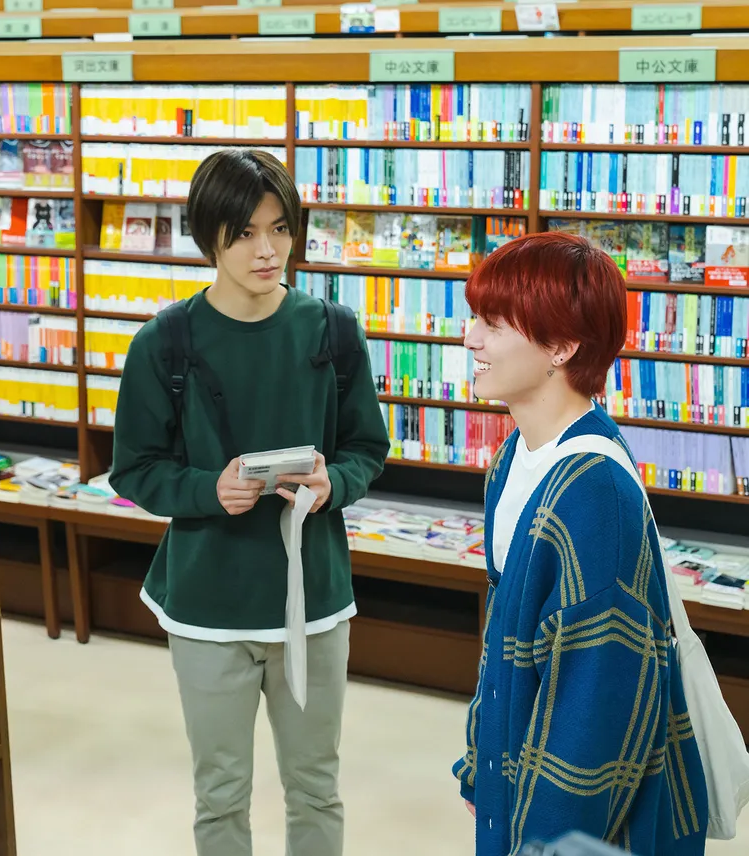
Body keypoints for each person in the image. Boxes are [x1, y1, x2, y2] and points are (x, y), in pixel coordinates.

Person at [109, 149, 390, 856]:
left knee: (316, 787)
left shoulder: (332, 331)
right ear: (210, 239)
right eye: (243, 234)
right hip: (208, 608)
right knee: (222, 795)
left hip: (313, 602)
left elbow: (367, 449)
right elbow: (134, 469)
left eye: (280, 228)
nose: (267, 250)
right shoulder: (163, 344)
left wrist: (335, 485)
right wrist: (209, 489)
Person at [451, 232, 708, 855]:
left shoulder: (593, 497)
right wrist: (480, 760)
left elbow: (596, 712)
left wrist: (544, 844)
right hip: (513, 788)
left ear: (561, 347)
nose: (470, 340)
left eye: (493, 324)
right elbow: (503, 644)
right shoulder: (515, 457)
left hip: (574, 830)